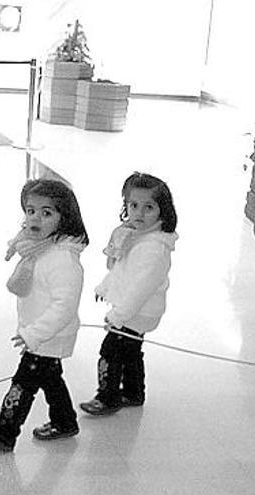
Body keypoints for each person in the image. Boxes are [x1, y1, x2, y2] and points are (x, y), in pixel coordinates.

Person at [0, 179, 89, 452]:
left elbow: (64, 305)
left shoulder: (62, 259)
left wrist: (33, 333)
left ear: (64, 217)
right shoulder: (40, 248)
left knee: (22, 386)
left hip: (48, 335)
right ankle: (65, 421)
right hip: (44, 334)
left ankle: (3, 433)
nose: (35, 218)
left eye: (46, 213)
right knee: (51, 380)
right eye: (30, 210)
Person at [80, 172, 178, 416]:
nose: (139, 214)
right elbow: (118, 268)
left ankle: (107, 397)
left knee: (110, 352)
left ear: (162, 211)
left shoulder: (154, 249)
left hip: (136, 311)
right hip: (134, 310)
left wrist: (118, 315)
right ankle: (134, 392)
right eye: (133, 205)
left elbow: (140, 288)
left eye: (148, 208)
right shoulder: (136, 236)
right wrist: (106, 286)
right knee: (130, 351)